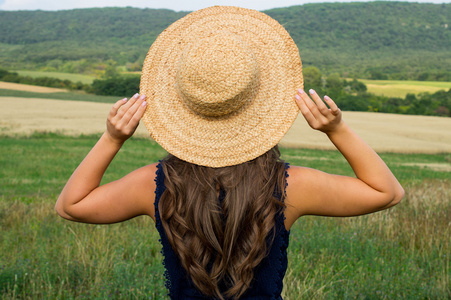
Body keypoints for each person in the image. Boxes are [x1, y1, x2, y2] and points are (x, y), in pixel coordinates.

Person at [55, 6, 404, 300]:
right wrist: (337, 130)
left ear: (182, 106)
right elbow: (386, 192)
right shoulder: (290, 186)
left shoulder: (156, 185)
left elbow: (71, 206)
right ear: (263, 103)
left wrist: (112, 139)